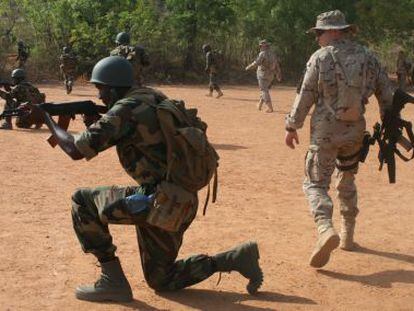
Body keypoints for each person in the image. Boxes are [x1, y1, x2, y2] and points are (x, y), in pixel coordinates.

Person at [29, 56, 263, 303]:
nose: (99, 96)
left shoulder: (125, 109)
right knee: (161, 279)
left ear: (113, 87)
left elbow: (76, 150)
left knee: (82, 202)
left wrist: (45, 118)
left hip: (156, 202)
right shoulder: (153, 97)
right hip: (180, 202)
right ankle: (233, 258)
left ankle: (113, 281)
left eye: (101, 89)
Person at [284, 10, 393, 268]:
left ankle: (325, 228)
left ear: (334, 31)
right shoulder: (369, 57)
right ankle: (348, 235)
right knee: (346, 176)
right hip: (355, 132)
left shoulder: (320, 58)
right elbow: (386, 94)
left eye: (319, 33)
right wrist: (389, 124)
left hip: (325, 133)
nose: (317, 38)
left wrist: (292, 125)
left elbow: (306, 94)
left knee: (315, 183)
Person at [245, 40, 282, 113]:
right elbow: (277, 65)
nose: (260, 47)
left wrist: (248, 67)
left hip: (263, 74)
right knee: (265, 90)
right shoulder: (273, 54)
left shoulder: (262, 53)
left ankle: (269, 107)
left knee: (264, 90)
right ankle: (259, 105)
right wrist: (278, 74)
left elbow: (257, 62)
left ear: (264, 46)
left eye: (261, 46)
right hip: (271, 75)